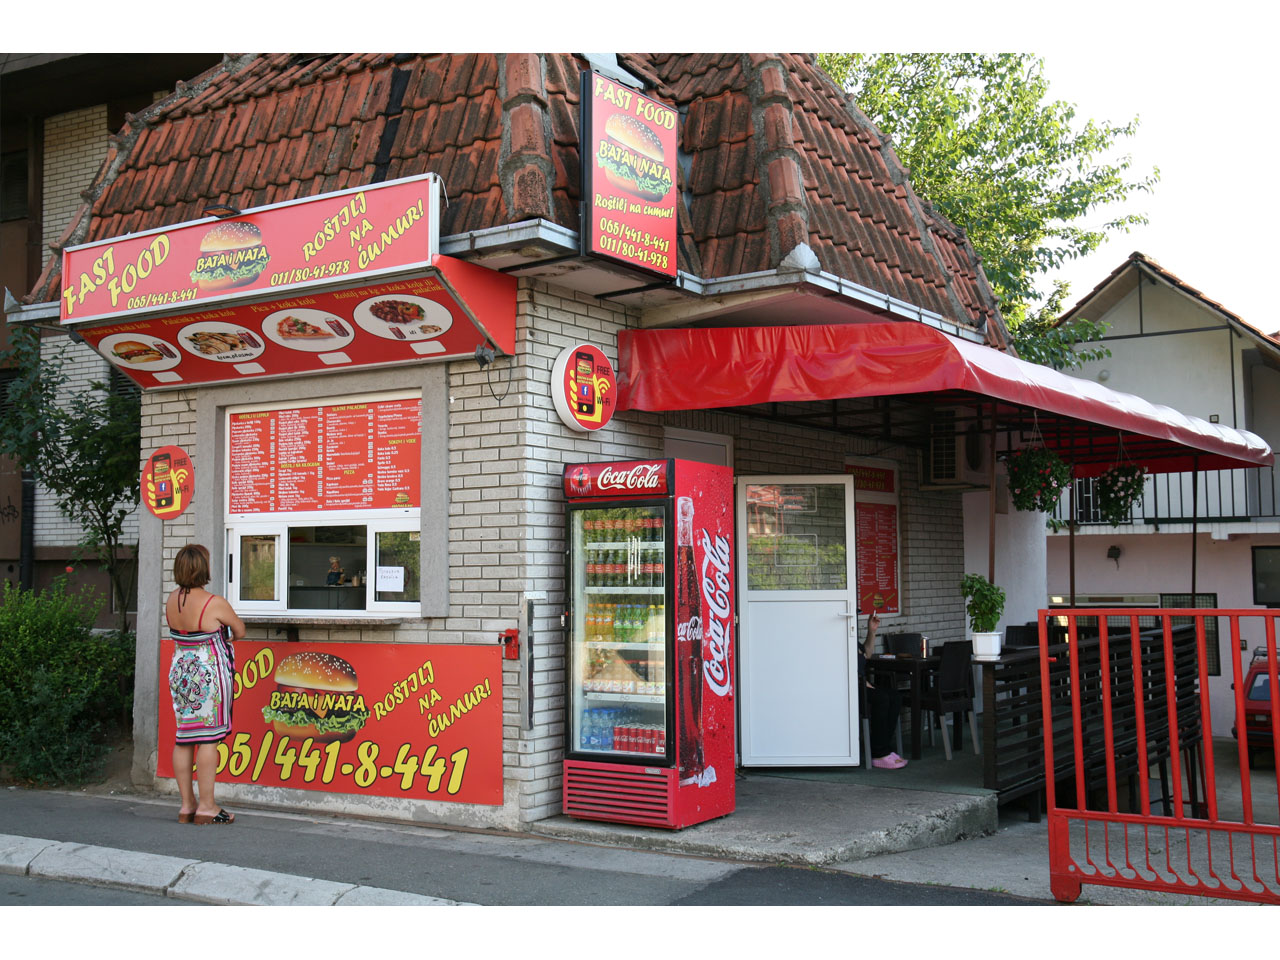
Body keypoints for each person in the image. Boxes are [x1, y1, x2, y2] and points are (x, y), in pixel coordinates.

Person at [166, 543, 246, 824]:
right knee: (208, 739)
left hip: (180, 672)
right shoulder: (214, 602)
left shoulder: (172, 599)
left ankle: (187, 806)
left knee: (184, 737)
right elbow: (240, 630)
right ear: (203, 568)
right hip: (208, 674)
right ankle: (207, 806)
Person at [861, 611, 907, 769]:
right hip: (848, 688)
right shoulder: (836, 639)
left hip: (862, 683)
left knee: (895, 696)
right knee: (881, 698)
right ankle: (879, 753)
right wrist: (860, 681)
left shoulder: (851, 637)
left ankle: (885, 748)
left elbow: (867, 654)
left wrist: (872, 631)